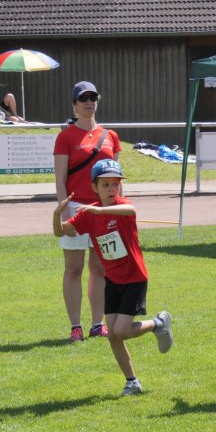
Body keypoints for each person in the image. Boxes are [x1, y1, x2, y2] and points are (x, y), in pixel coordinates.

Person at [53, 159, 173, 396]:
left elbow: (132, 211)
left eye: (115, 184)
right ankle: (132, 382)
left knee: (123, 330)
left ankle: (158, 323)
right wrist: (57, 214)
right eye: (105, 184)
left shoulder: (121, 206)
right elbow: (61, 231)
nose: (111, 189)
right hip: (113, 281)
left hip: (134, 278)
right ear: (94, 187)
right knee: (113, 335)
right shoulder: (89, 214)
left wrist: (99, 210)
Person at [53, 81, 121, 342]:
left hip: (103, 211)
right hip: (75, 209)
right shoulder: (66, 137)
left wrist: (118, 208)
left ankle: (97, 324)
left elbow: (116, 179)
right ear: (74, 105)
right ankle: (75, 326)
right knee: (73, 268)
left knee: (100, 269)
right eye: (83, 99)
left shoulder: (110, 136)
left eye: (92, 98)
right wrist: (64, 214)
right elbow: (60, 180)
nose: (89, 103)